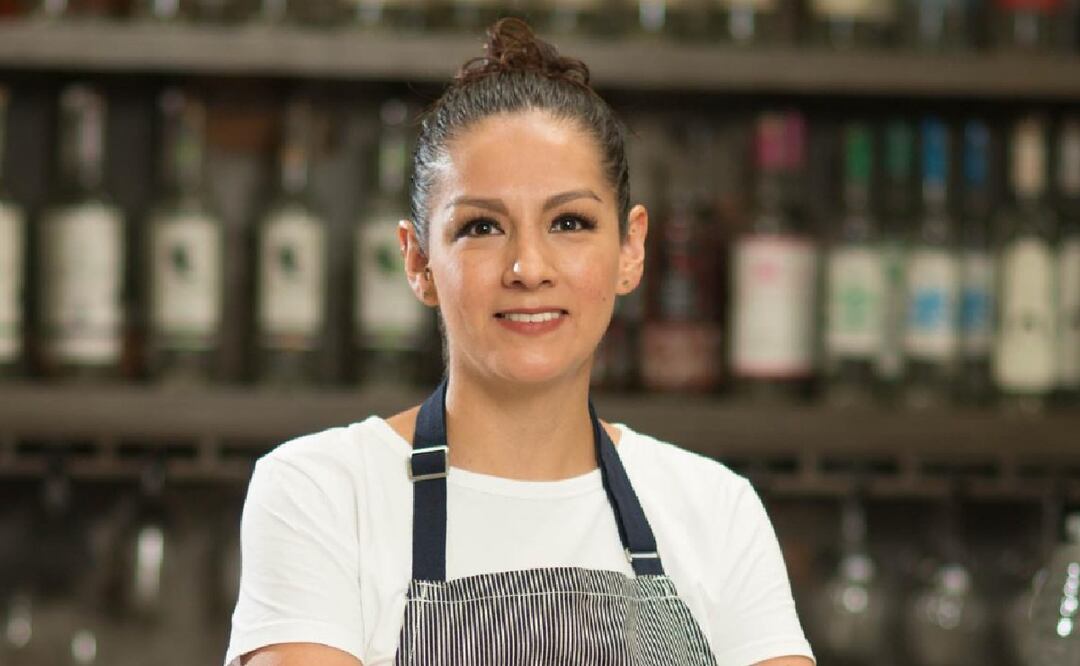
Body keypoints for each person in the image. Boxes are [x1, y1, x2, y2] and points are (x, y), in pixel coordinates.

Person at [225, 17, 815, 666]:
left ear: (631, 248)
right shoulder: (323, 493)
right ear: (418, 261)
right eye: (481, 227)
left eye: (569, 222)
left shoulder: (715, 511)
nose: (528, 267)